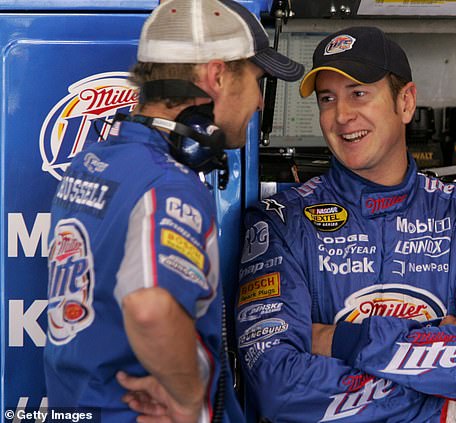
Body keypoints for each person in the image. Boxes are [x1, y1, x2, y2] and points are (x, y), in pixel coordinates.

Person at [235, 26, 456, 422]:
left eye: (359, 93)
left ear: (405, 102)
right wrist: (432, 391)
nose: (341, 116)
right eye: (327, 99)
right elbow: (276, 386)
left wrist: (338, 339)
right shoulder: (281, 225)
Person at [43, 0, 303, 422]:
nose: (258, 103)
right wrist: (188, 401)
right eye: (258, 81)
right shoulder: (168, 184)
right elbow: (151, 308)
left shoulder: (95, 162)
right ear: (217, 76)